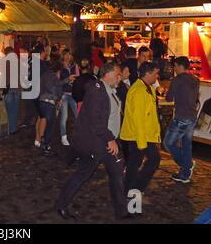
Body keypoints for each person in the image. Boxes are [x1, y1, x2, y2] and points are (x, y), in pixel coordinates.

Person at [56, 63, 130, 220]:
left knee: (117, 173)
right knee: (82, 174)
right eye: (117, 75)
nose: (119, 78)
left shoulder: (107, 90)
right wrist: (110, 138)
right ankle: (61, 204)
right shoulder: (98, 91)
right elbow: (97, 121)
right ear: (108, 74)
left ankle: (121, 211)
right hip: (97, 143)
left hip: (105, 142)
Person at [120, 62, 161, 194]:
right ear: (148, 74)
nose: (157, 76)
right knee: (152, 160)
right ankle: (135, 188)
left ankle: (129, 188)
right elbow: (138, 119)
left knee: (134, 162)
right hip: (139, 135)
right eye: (155, 73)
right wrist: (142, 142)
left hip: (143, 134)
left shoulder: (146, 88)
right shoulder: (139, 91)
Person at [163, 56, 200, 183]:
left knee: (168, 143)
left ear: (179, 66)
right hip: (192, 116)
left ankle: (187, 164)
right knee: (186, 145)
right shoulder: (195, 80)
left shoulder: (177, 80)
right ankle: (184, 175)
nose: (174, 68)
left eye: (175, 66)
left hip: (181, 117)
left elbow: (168, 98)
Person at [38, 58, 65, 155]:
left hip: (42, 101)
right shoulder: (53, 76)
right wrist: (58, 98)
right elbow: (54, 88)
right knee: (50, 126)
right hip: (49, 102)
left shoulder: (45, 74)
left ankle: (42, 141)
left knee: (45, 122)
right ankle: (46, 146)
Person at [59, 49, 79, 146]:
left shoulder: (75, 66)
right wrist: (68, 79)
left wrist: (74, 81)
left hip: (73, 94)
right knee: (64, 117)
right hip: (63, 94)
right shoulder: (60, 68)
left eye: (69, 54)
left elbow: (78, 79)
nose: (67, 57)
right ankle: (63, 136)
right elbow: (58, 83)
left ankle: (80, 135)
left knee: (78, 115)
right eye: (65, 55)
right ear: (62, 56)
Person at [32, 46, 50, 148]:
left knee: (39, 116)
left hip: (34, 93)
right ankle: (41, 139)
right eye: (44, 52)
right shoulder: (42, 65)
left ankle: (37, 138)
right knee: (44, 117)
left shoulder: (33, 64)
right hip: (41, 94)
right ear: (42, 53)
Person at [2, 47, 22, 135]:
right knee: (15, 110)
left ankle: (11, 129)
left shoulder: (4, 61)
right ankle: (13, 128)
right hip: (17, 89)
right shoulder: (19, 61)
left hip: (8, 88)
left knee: (9, 110)